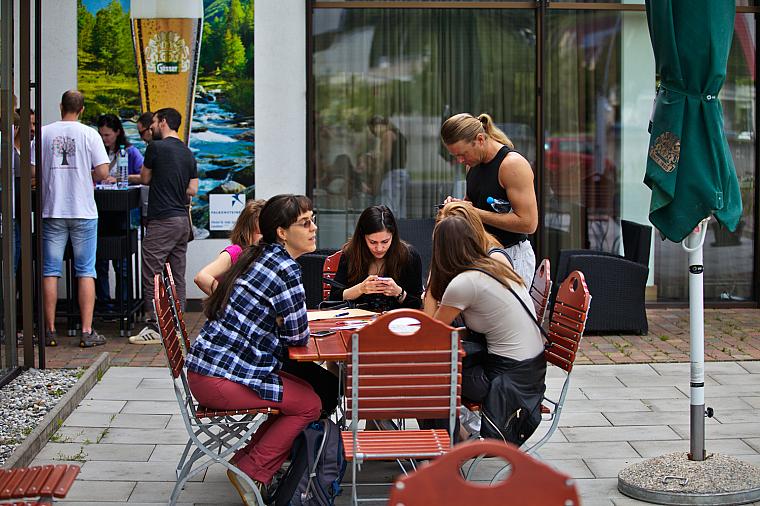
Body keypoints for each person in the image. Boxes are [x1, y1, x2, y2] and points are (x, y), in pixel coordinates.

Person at [185, 195, 322, 504]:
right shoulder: (285, 269)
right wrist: (283, 322)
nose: (313, 228)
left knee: (302, 392)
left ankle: (246, 462)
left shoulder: (258, 255)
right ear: (282, 232)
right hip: (221, 379)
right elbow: (298, 336)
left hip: (210, 370)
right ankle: (252, 470)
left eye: (313, 220)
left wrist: (279, 321)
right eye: (305, 223)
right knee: (309, 404)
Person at [425, 216, 546, 439]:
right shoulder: (492, 266)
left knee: (430, 378)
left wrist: (434, 276)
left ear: (441, 251)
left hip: (507, 379)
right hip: (530, 371)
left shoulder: (464, 283)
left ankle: (448, 449)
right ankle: (458, 440)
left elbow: (431, 332)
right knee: (439, 369)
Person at [34, 90, 110, 347]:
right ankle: (86, 331)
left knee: (50, 271)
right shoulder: (90, 134)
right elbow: (103, 171)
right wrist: (86, 176)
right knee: (86, 270)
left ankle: (50, 330)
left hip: (52, 209)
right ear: (82, 109)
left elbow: (31, 169)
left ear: (61, 106)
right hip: (83, 210)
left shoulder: (44, 133)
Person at [440, 113, 538, 285]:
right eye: (455, 156)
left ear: (480, 139)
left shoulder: (512, 165)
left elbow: (528, 223)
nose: (460, 161)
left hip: (512, 256)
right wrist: (458, 206)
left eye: (463, 154)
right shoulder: (473, 164)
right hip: (482, 254)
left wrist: (473, 212)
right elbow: (473, 204)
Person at [129, 108, 198, 345]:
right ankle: (177, 325)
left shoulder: (156, 148)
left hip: (162, 220)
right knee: (177, 274)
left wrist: (129, 178)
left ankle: (154, 326)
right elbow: (193, 189)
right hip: (182, 221)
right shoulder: (187, 152)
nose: (151, 127)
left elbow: (145, 178)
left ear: (164, 122)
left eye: (155, 122)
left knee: (153, 272)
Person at [424, 201, 512, 315]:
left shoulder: (495, 259)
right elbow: (430, 317)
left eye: (453, 242)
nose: (448, 249)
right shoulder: (451, 261)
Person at [330, 205, 422, 312]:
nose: (379, 248)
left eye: (385, 242)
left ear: (393, 236)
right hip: (356, 320)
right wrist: (360, 289)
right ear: (363, 237)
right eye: (373, 242)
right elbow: (334, 298)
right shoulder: (351, 254)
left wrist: (398, 292)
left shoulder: (409, 256)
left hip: (396, 321)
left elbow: (417, 304)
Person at [94, 114, 145, 310]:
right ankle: (104, 302)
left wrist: (122, 179)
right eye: (101, 135)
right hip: (101, 209)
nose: (104, 138)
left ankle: (123, 303)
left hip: (121, 211)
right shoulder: (97, 151)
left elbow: (143, 175)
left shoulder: (130, 152)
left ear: (117, 132)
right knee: (100, 260)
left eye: (107, 135)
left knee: (122, 262)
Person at [194, 199, 266, 296]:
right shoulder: (235, 252)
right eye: (260, 233)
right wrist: (229, 299)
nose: (266, 237)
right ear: (246, 231)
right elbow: (202, 277)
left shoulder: (267, 253)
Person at [367, 115, 408, 218]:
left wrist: (378, 171)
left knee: (389, 209)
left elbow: (386, 157)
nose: (374, 133)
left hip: (393, 175)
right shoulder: (397, 134)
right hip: (401, 173)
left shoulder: (387, 135)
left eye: (372, 130)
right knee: (399, 208)